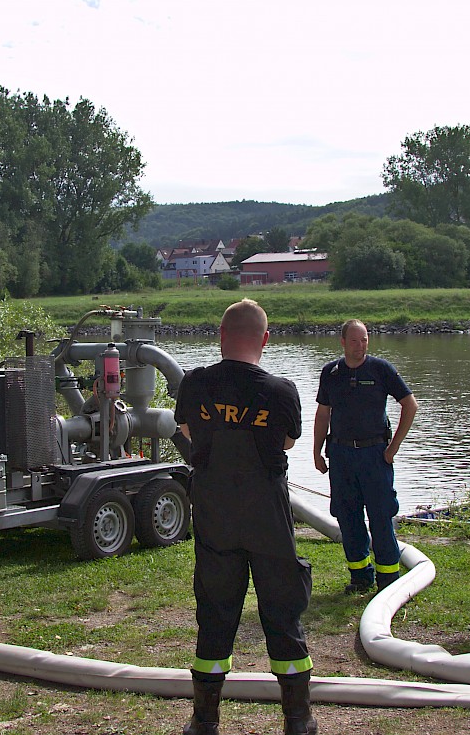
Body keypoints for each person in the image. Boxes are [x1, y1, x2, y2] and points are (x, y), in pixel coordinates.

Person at [174, 299, 316, 735]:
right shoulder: (280, 391)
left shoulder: (193, 385)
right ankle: (297, 721)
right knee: (282, 609)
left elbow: (184, 433)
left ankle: (204, 722)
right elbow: (288, 443)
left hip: (215, 511)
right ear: (265, 340)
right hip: (266, 516)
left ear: (220, 335)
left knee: (215, 609)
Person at [313, 319, 418, 594]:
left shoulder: (381, 369)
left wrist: (393, 448)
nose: (360, 346)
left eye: (365, 340)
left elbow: (410, 404)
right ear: (343, 342)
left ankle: (388, 580)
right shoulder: (331, 373)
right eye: (355, 341)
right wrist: (316, 452)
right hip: (341, 454)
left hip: (375, 455)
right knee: (347, 517)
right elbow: (323, 413)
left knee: (381, 516)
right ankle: (360, 577)